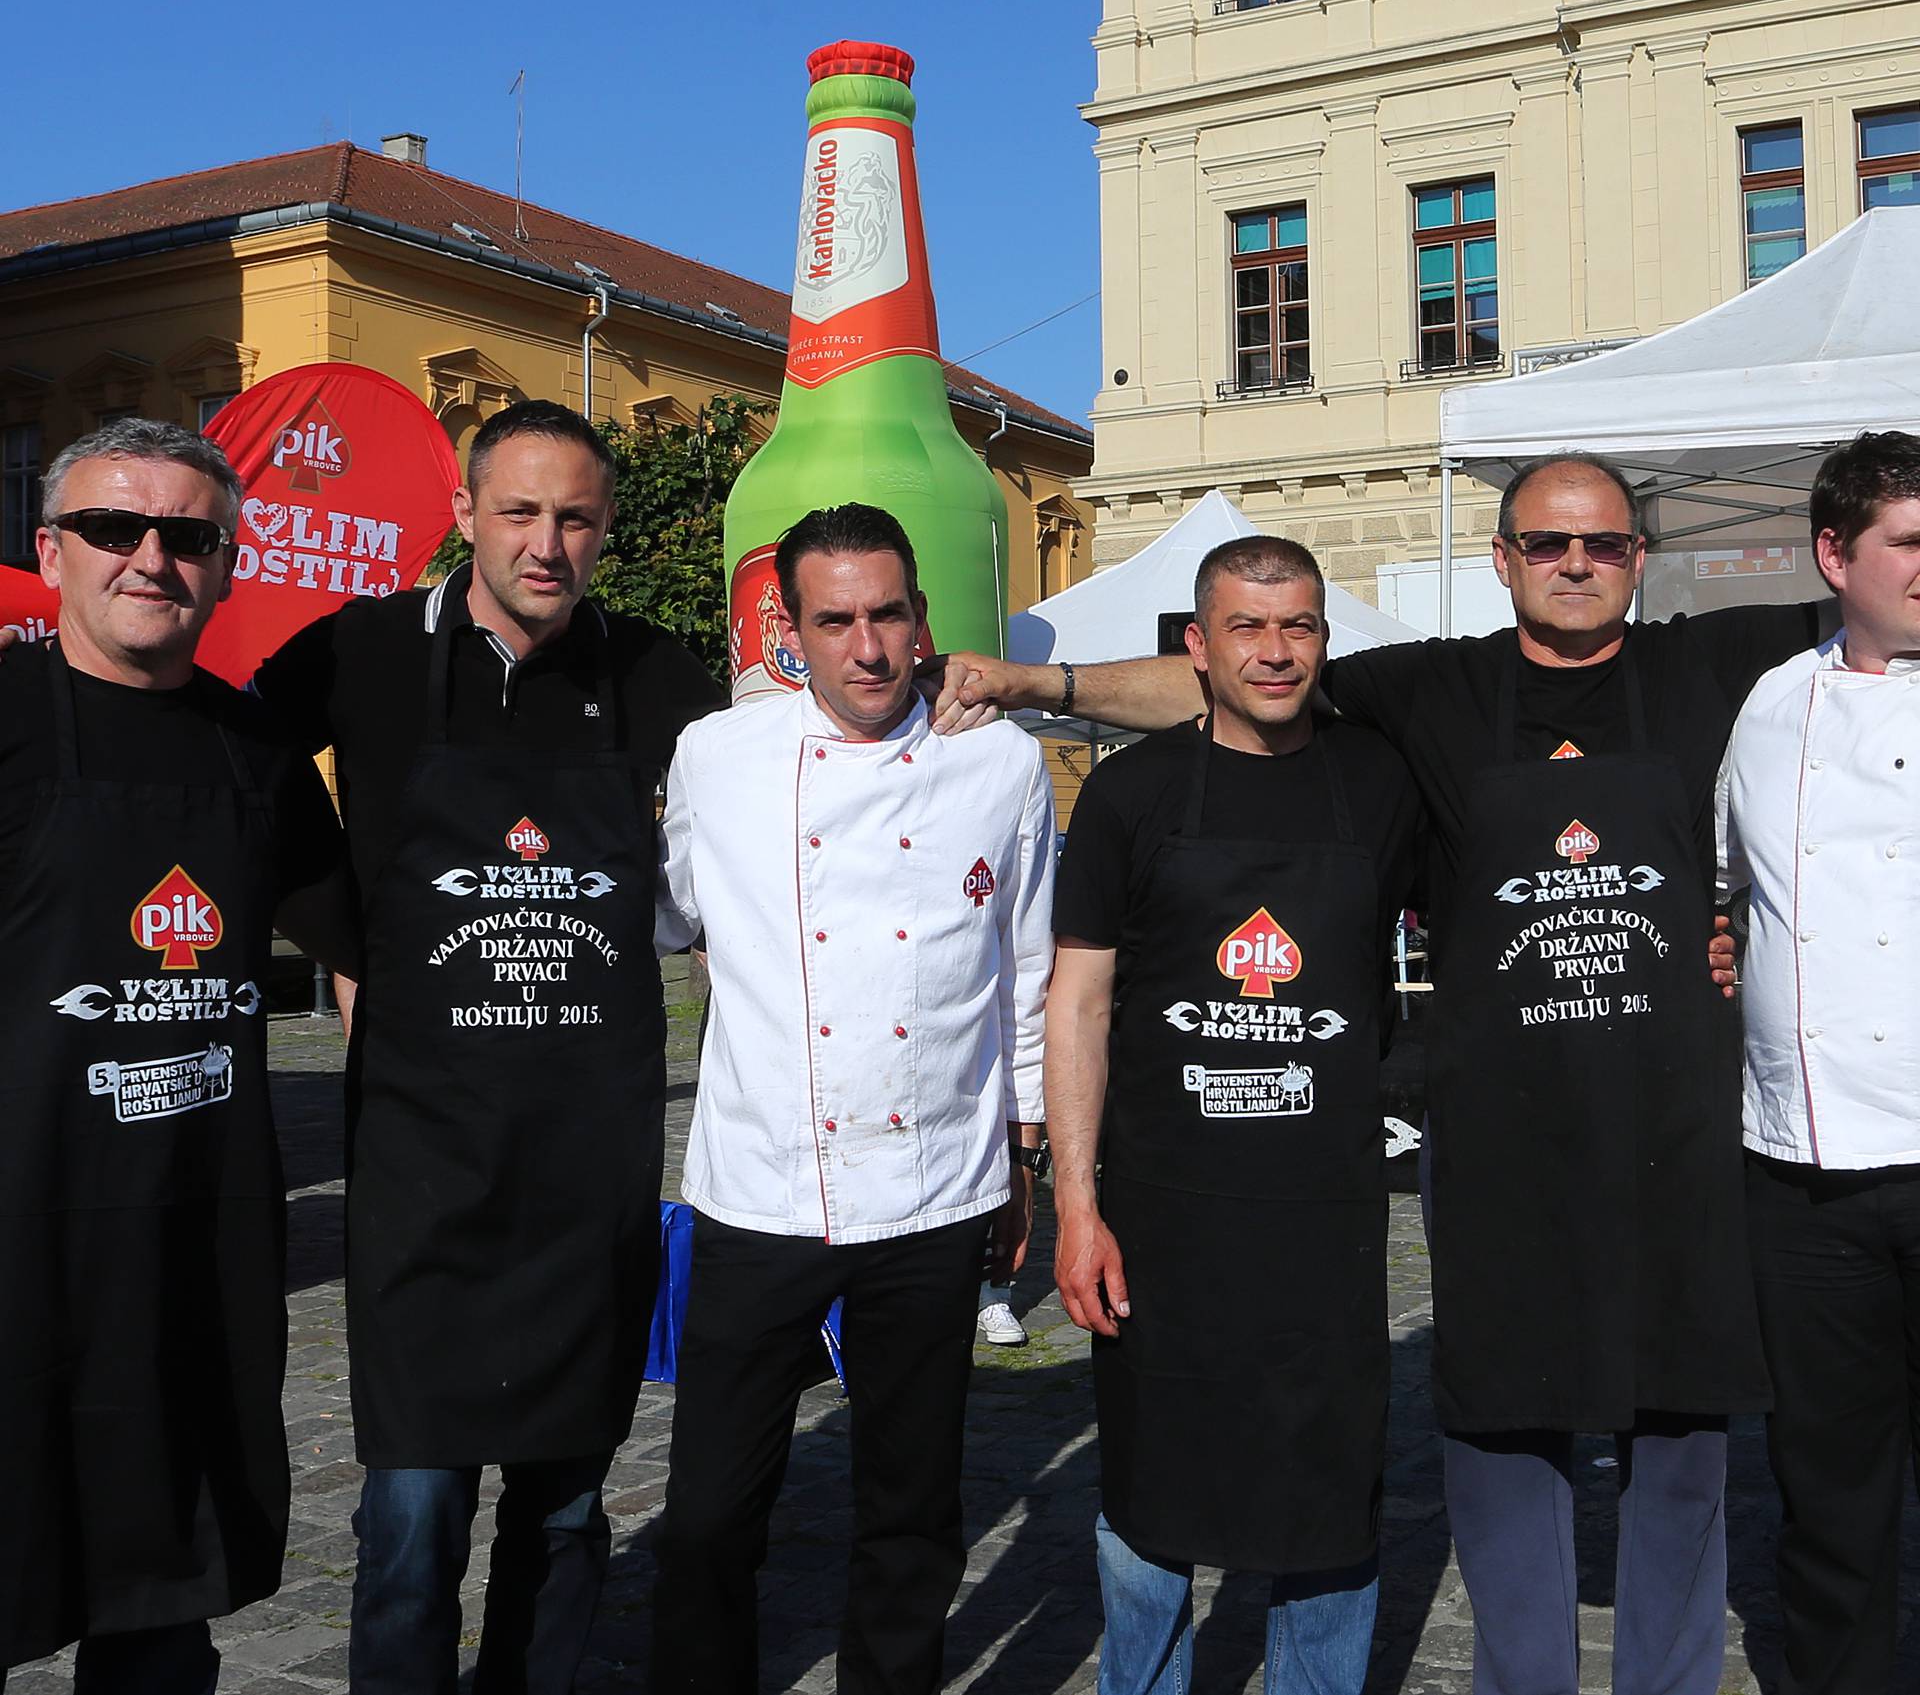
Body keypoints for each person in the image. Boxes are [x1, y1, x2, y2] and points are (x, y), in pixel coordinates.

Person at [940, 453, 1835, 1695]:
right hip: (1492, 1134)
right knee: (1494, 1426)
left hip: (1665, 1129)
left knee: (1680, 1434)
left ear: (1638, 558)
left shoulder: (1709, 663)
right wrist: (1038, 679)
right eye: (1548, 544)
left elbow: (1875, 624)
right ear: (1506, 558)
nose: (1576, 563)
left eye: (1603, 545)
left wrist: (1751, 931)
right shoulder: (1429, 690)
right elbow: (1225, 690)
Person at [250, 400, 722, 1695]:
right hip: (422, 1157)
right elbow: (236, 760)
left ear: (606, 529)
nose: (546, 542)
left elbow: (788, 786)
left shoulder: (654, 671)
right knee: (407, 1517)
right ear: (463, 517)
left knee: (569, 1509)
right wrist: (346, 939)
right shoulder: (364, 650)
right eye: (519, 511)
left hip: (589, 1158)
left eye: (575, 516)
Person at [648, 501, 1054, 1695]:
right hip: (756, 1187)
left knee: (912, 1510)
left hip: (934, 1189)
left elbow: (1024, 973)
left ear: (923, 618)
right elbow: (666, 914)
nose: (868, 648)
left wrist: (1025, 1148)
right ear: (792, 630)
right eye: (837, 621)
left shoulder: (1001, 760)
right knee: (712, 1509)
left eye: (889, 615)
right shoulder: (717, 755)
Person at [0, 421, 350, 1693]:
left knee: (161, 1603)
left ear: (225, 563)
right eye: (113, 528)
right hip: (18, 1247)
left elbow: (360, 936)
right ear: (51, 551)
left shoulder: (255, 753)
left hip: (192, 1255)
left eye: (189, 536)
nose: (150, 557)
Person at [1048, 536, 1420, 1695]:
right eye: (1248, 627)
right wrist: (1074, 1204)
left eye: (1298, 625)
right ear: (1198, 647)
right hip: (1164, 1214)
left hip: (1326, 1212)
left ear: (1324, 638)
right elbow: (1080, 1001)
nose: (1276, 650)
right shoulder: (1130, 793)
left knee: (1329, 1497)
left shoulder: (1381, 781)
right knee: (1151, 1498)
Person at [1715, 430, 1920, 1695]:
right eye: (1910, 543)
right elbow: (1715, 877)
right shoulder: (1765, 702)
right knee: (1831, 1497)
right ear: (1834, 554)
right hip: (1808, 1167)